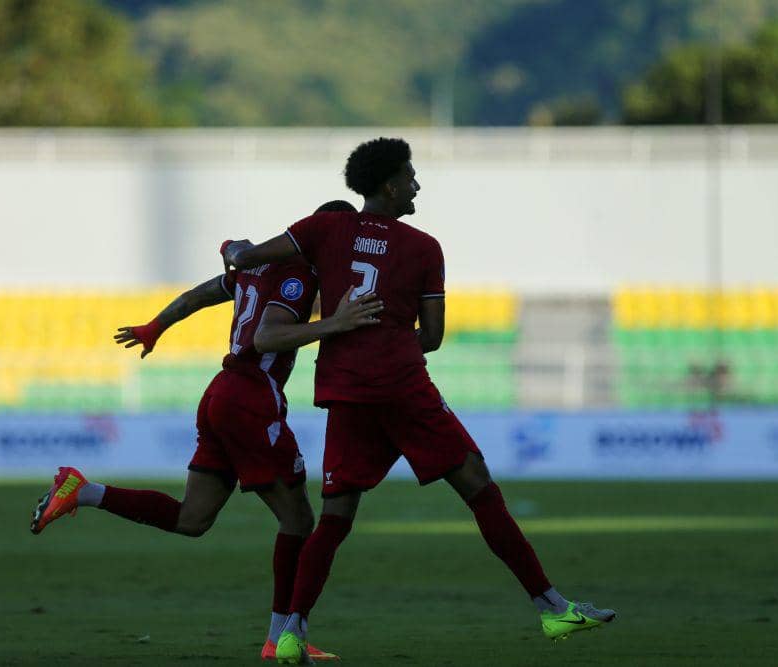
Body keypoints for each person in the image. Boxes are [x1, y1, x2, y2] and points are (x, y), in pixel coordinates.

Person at [223, 138, 616, 664]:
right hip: (402, 386)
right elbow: (432, 335)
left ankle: (290, 630)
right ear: (390, 185)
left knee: (336, 514)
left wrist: (233, 252)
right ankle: (553, 608)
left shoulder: (323, 230)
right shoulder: (423, 247)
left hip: (345, 389)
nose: (417, 184)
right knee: (478, 486)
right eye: (411, 176)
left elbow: (246, 256)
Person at [29, 200, 383, 662]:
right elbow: (267, 338)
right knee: (298, 520)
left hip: (221, 393)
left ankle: (83, 490)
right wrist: (334, 325)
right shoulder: (297, 274)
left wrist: (156, 325)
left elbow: (201, 293)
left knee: (191, 519)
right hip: (252, 398)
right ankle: (281, 636)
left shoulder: (258, 267)